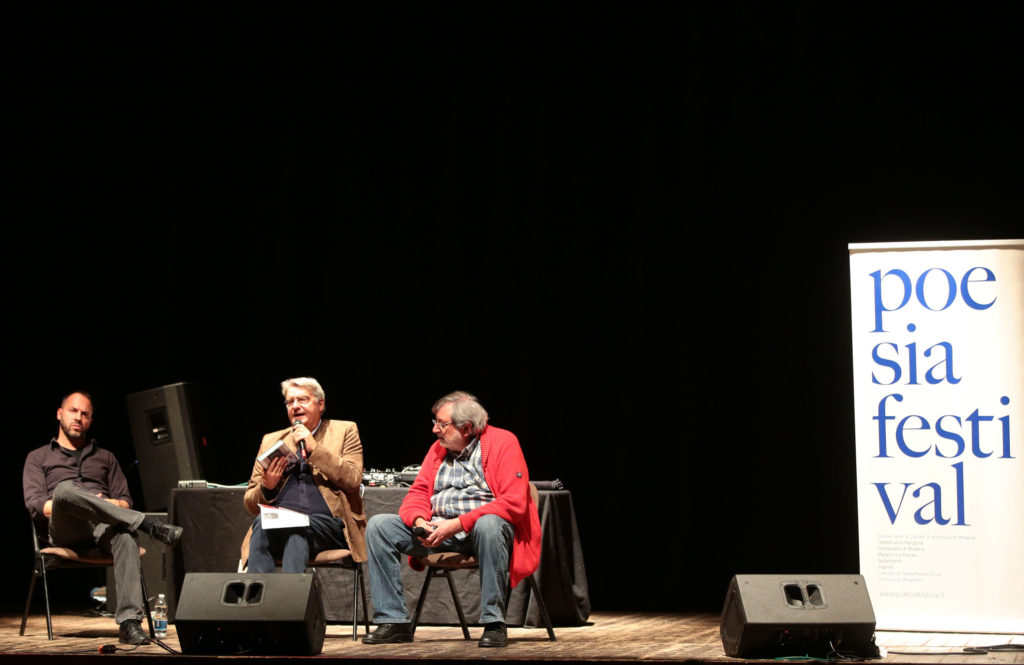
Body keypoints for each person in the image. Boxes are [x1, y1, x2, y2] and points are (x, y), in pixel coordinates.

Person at [362, 391, 541, 648]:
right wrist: (420, 522)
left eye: (442, 424)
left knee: (489, 523)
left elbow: (514, 503)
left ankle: (494, 623)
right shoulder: (438, 450)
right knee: (380, 526)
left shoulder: (503, 442)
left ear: (466, 427)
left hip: (483, 534)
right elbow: (417, 494)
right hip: (438, 532)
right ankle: (394, 622)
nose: (435, 430)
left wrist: (458, 524)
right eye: (435, 422)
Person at [22, 391, 184, 645]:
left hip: (103, 528)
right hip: (66, 529)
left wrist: (103, 505)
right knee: (65, 489)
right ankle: (147, 524)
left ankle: (130, 624)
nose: (79, 417)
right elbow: (35, 505)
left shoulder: (105, 458)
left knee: (126, 535)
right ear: (60, 414)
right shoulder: (38, 457)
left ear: (91, 420)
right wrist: (83, 501)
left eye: (85, 414)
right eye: (73, 411)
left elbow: (124, 501)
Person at [241, 377, 366, 574]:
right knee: (269, 525)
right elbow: (250, 503)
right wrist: (268, 487)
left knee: (296, 528)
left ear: (320, 403)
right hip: (281, 524)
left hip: (329, 525)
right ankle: (263, 601)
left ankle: (282, 602)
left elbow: (352, 480)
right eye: (290, 402)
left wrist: (315, 449)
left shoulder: (344, 431)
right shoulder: (271, 440)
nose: (295, 406)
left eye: (303, 400)